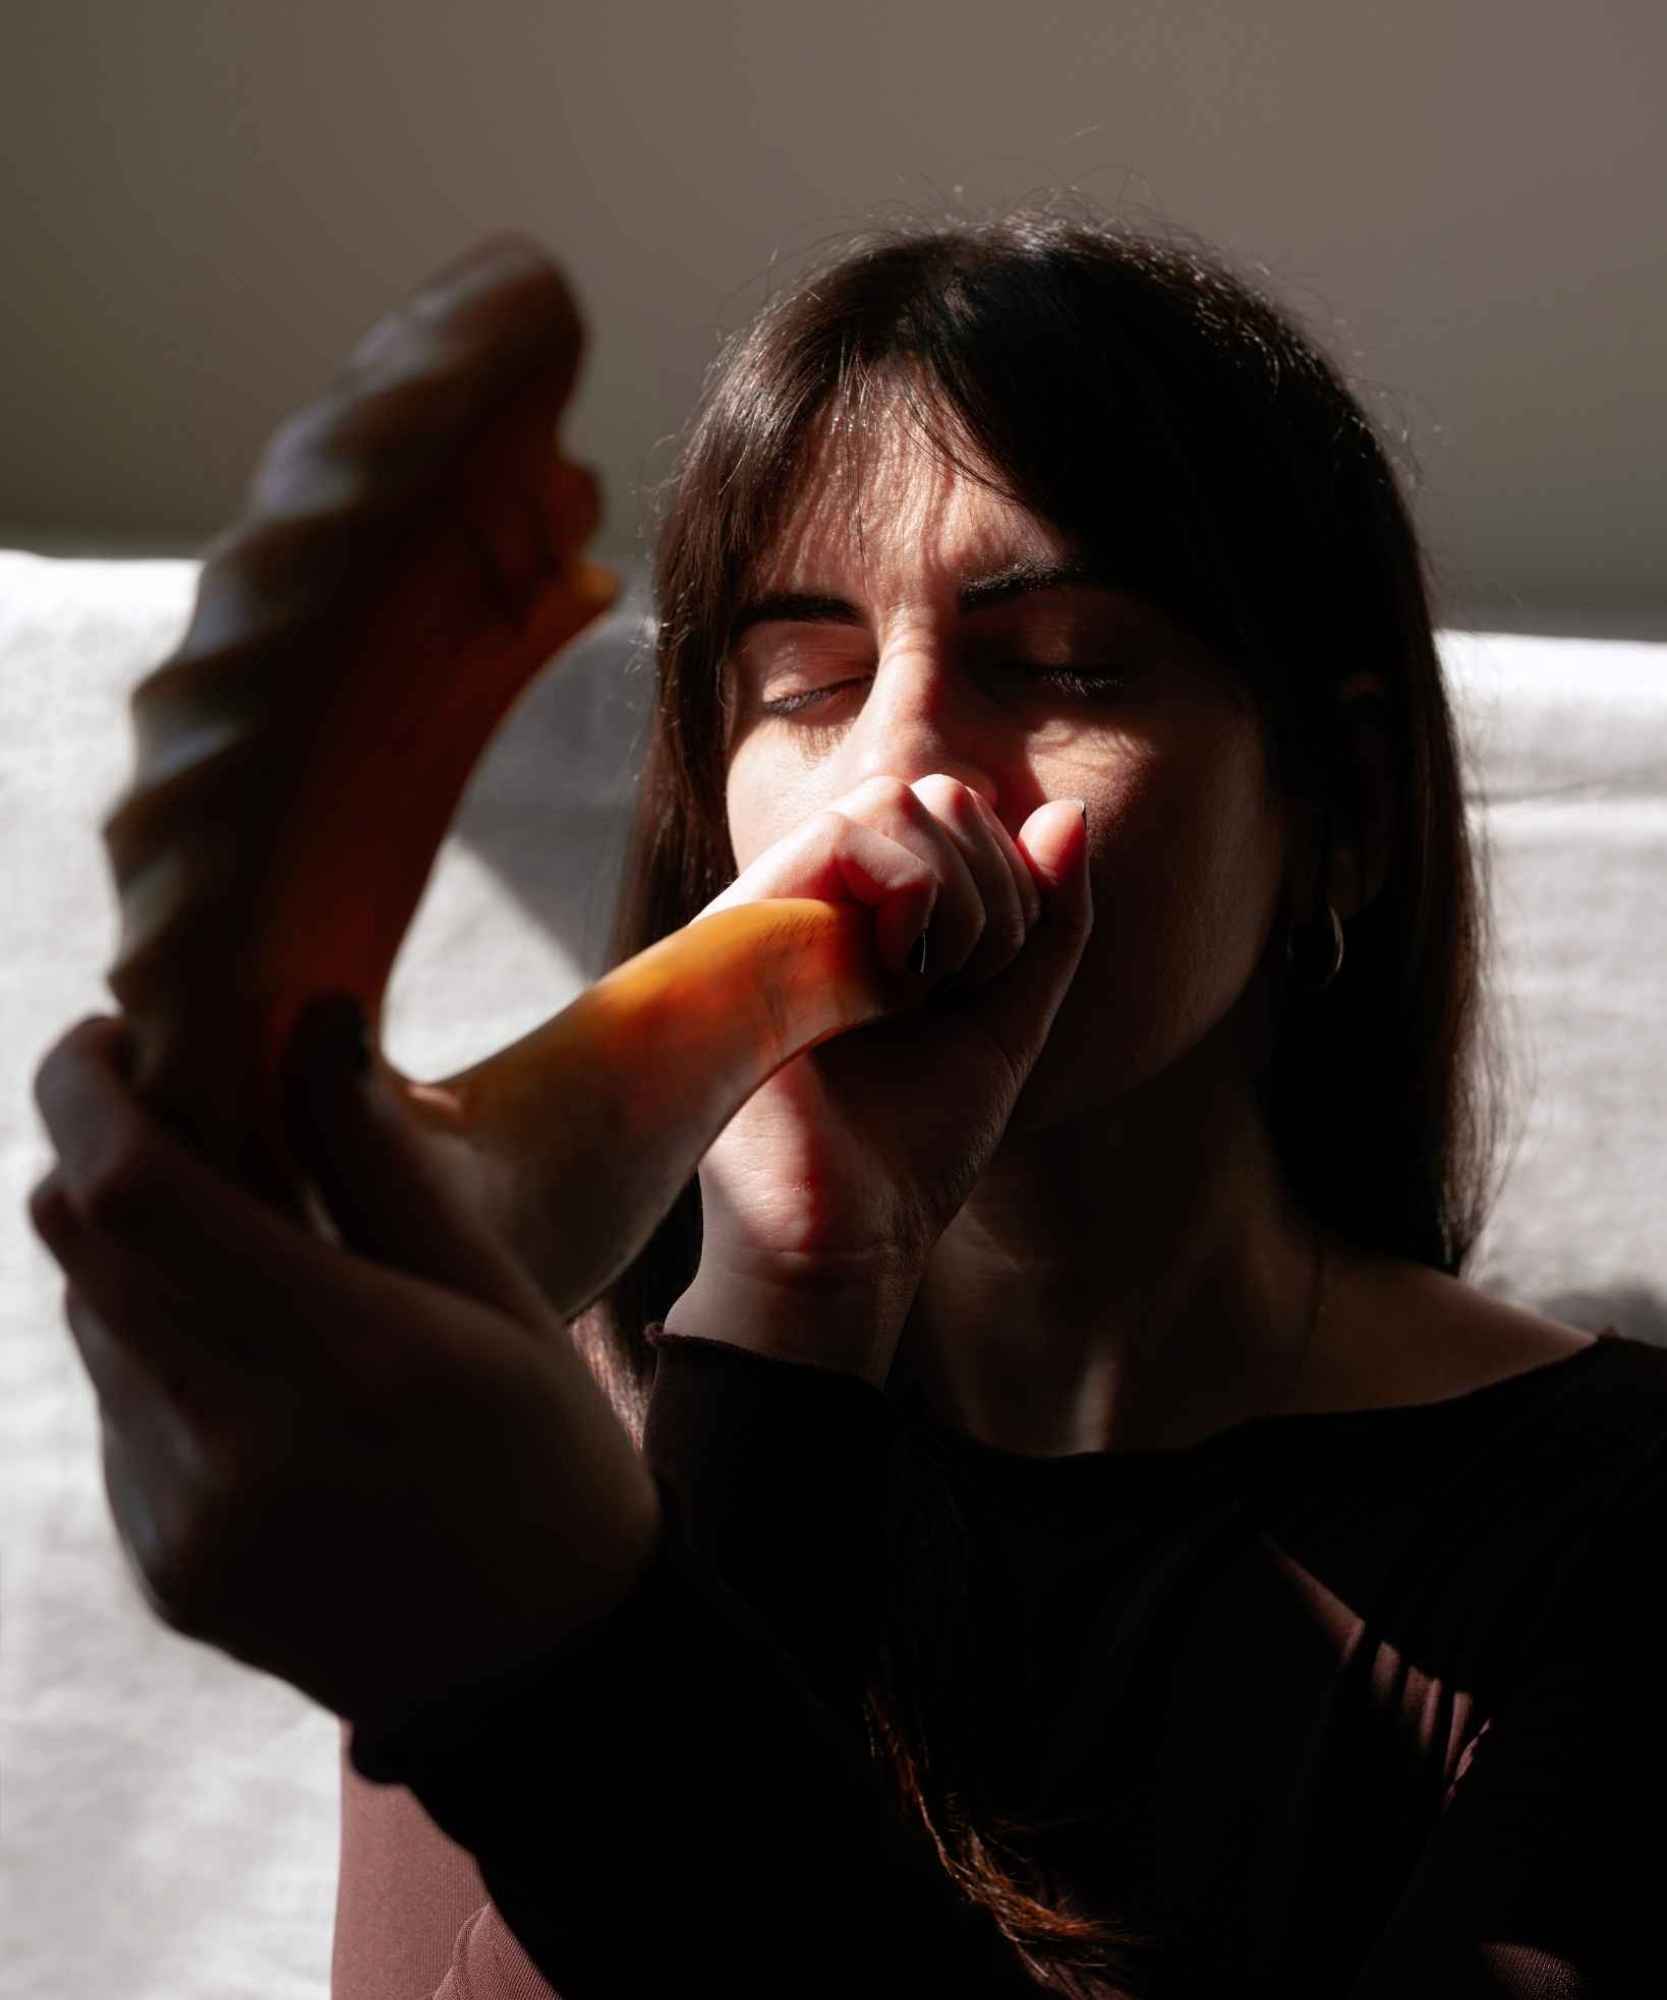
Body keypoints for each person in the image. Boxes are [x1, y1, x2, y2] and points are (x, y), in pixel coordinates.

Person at [29, 210, 1667, 1999]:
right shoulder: (544, 1431)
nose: (892, 766)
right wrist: (796, 1308)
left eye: (1058, 667)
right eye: (802, 682)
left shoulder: (1620, 1531)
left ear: (1342, 800)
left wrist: (562, 1654)